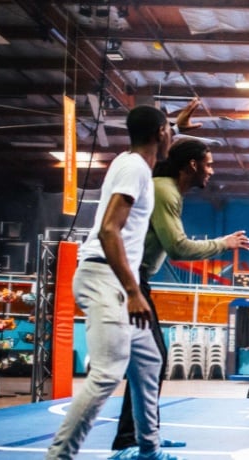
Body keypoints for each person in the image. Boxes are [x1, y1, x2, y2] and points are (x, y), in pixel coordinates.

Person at [109, 136, 249, 458]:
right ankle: (129, 441)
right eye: (209, 164)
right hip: (126, 280)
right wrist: (223, 243)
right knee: (147, 361)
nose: (212, 171)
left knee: (152, 360)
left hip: (137, 279)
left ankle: (147, 436)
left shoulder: (167, 189)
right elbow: (178, 248)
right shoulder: (164, 190)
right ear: (192, 165)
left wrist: (176, 128)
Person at [47, 105, 178, 460]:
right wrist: (134, 292)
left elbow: (160, 129)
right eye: (170, 130)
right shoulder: (134, 167)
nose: (173, 135)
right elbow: (109, 229)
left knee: (149, 362)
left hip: (118, 280)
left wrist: (178, 121)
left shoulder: (137, 162)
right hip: (105, 276)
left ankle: (148, 449)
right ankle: (59, 456)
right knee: (107, 372)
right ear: (159, 133)